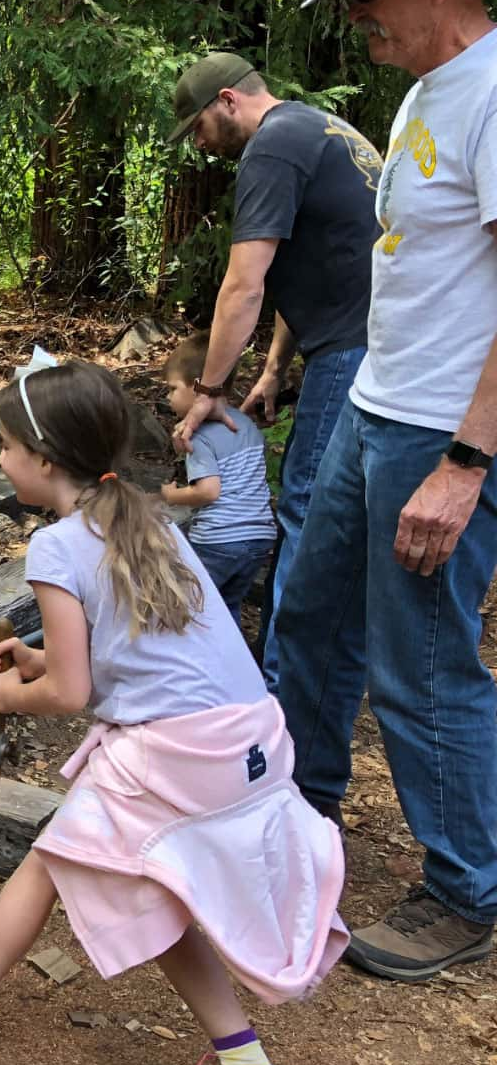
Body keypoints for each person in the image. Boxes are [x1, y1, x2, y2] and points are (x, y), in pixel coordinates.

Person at [0, 357, 346, 1065]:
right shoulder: (148, 519)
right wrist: (45, 667)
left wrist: (14, 694)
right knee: (155, 888)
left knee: (47, 863)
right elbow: (142, 657)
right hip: (247, 743)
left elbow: (71, 696)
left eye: (5, 446)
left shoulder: (56, 548)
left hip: (172, 757)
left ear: (44, 461)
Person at [274, 0, 497, 981]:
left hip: (439, 432)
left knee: (418, 661)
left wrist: (466, 463)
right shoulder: (421, 94)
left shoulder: (495, 93)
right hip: (373, 403)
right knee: (310, 617)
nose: (358, 16)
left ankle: (462, 890)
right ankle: (294, 800)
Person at [166, 51, 377, 692]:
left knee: (308, 510)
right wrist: (275, 368)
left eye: (198, 127)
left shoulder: (272, 147)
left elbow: (245, 285)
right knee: (326, 508)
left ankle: (283, 687)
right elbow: (308, 265)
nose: (201, 146)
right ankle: (299, 668)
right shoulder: (317, 128)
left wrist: (209, 391)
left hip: (355, 348)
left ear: (228, 100)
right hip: (363, 339)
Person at [159, 334, 277, 616]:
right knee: (226, 608)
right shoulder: (245, 423)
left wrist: (170, 495)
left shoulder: (198, 435)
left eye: (172, 389)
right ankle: (233, 659)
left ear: (199, 387)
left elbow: (208, 491)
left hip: (219, 539)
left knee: (189, 609)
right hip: (258, 536)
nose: (167, 397)